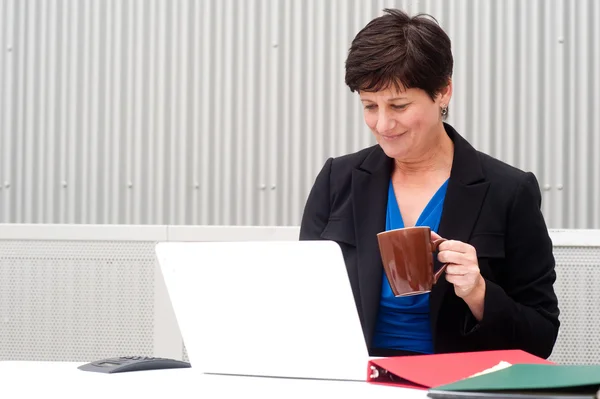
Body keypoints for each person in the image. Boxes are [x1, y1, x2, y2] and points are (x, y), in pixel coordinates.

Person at [299, 8, 559, 359]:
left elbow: (540, 337)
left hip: (457, 383)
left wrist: (479, 293)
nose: (383, 124)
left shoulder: (508, 191)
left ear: (443, 92)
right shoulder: (337, 180)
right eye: (369, 105)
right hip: (353, 378)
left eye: (399, 105)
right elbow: (303, 301)